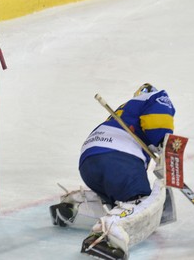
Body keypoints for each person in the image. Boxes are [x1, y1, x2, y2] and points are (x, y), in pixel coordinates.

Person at [49, 83, 176, 260]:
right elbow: (159, 126)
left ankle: (77, 208)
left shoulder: (127, 109)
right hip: (118, 156)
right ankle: (108, 234)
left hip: (89, 158)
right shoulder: (155, 97)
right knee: (139, 201)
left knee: (118, 200)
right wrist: (165, 147)